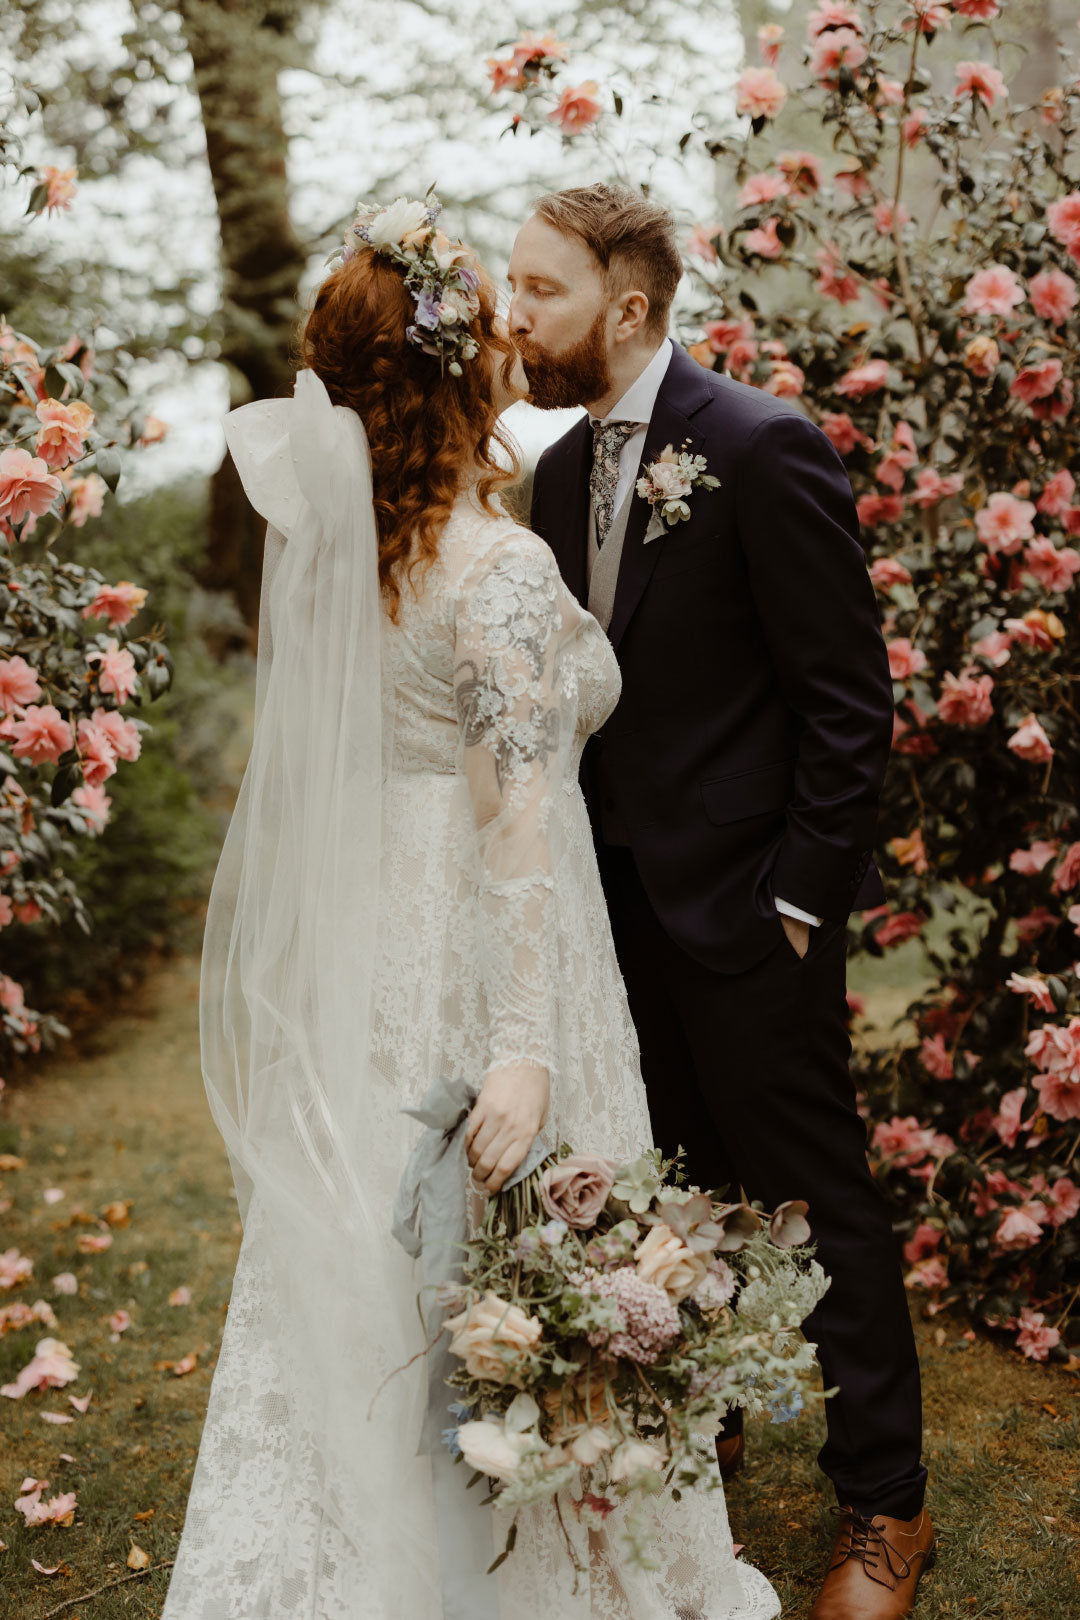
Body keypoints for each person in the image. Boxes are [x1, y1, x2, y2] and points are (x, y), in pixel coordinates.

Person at [161, 195, 780, 1620]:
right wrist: (523, 1043)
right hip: (499, 946)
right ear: (452, 376)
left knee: (387, 1247)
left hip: (377, 939)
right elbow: (512, 820)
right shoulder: (496, 573)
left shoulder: (348, 548)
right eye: (486, 314)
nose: (511, 328)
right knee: (508, 1224)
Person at [514, 183, 936, 1620]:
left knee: (816, 1206)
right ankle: (704, 1430)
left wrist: (802, 907)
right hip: (612, 914)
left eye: (539, 291)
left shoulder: (760, 447)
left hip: (754, 912)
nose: (516, 319)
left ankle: (887, 1505)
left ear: (627, 306)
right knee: (667, 1201)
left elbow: (846, 703)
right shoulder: (557, 476)